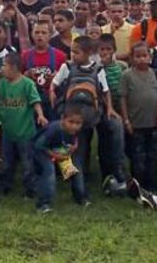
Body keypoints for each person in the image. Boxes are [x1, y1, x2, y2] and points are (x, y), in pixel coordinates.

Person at [50, 37, 128, 192]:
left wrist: (110, 109)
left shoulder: (98, 69)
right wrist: (52, 91)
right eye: (72, 51)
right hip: (74, 116)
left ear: (88, 53)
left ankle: (115, 173)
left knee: (110, 132)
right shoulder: (67, 67)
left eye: (76, 52)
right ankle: (79, 182)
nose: (73, 55)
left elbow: (105, 91)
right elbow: (55, 82)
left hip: (92, 113)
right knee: (78, 150)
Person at [0, 55, 46, 196]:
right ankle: (5, 185)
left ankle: (30, 189)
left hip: (25, 132)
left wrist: (40, 115)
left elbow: (35, 101)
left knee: (28, 163)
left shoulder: (27, 84)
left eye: (4, 65)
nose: (2, 68)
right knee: (6, 162)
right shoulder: (2, 82)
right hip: (7, 132)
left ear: (14, 67)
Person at [121, 43, 157, 191]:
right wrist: (126, 120)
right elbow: (123, 99)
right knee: (137, 157)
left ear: (150, 57)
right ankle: (137, 186)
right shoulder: (127, 75)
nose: (141, 59)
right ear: (132, 58)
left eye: (144, 56)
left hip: (153, 123)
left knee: (153, 156)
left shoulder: (156, 74)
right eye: (137, 56)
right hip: (135, 123)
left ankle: (153, 184)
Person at [33, 107, 90, 213]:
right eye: (71, 122)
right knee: (49, 171)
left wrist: (74, 146)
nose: (74, 126)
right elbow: (38, 145)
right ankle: (44, 204)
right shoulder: (54, 129)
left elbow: (74, 139)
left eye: (78, 123)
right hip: (43, 152)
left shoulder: (76, 130)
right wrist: (55, 156)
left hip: (61, 151)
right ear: (63, 119)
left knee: (75, 169)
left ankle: (80, 197)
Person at [21, 21, 66, 120]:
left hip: (52, 100)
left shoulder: (60, 55)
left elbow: (67, 79)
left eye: (44, 33)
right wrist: (25, 76)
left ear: (50, 35)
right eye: (37, 32)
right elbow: (17, 79)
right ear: (32, 34)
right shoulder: (25, 55)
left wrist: (57, 77)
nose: (40, 35)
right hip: (31, 100)